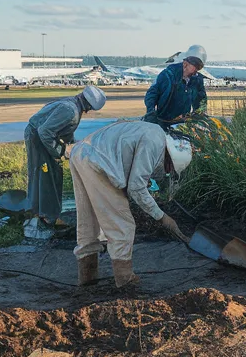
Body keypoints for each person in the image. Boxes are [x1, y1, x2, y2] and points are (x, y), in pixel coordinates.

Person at [69, 120, 189, 289]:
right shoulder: (155, 144)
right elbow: (136, 187)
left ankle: (88, 279)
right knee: (123, 225)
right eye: (168, 169)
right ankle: (125, 281)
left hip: (80, 153)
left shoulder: (154, 131)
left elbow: (128, 163)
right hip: (98, 162)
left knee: (88, 222)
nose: (166, 171)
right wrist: (162, 217)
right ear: (170, 159)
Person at [25, 85, 108, 226]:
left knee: (49, 174)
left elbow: (65, 129)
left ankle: (41, 211)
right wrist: (60, 152)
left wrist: (75, 145)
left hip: (39, 136)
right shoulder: (70, 111)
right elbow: (44, 132)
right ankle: (47, 216)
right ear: (89, 106)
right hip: (38, 139)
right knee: (47, 175)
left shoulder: (72, 105)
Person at [143, 45, 208, 126]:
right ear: (185, 64)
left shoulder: (197, 79)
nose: (196, 71)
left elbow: (201, 99)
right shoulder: (168, 75)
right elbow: (152, 93)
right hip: (163, 120)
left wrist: (200, 114)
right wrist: (150, 112)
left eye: (199, 68)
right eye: (196, 67)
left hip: (182, 122)